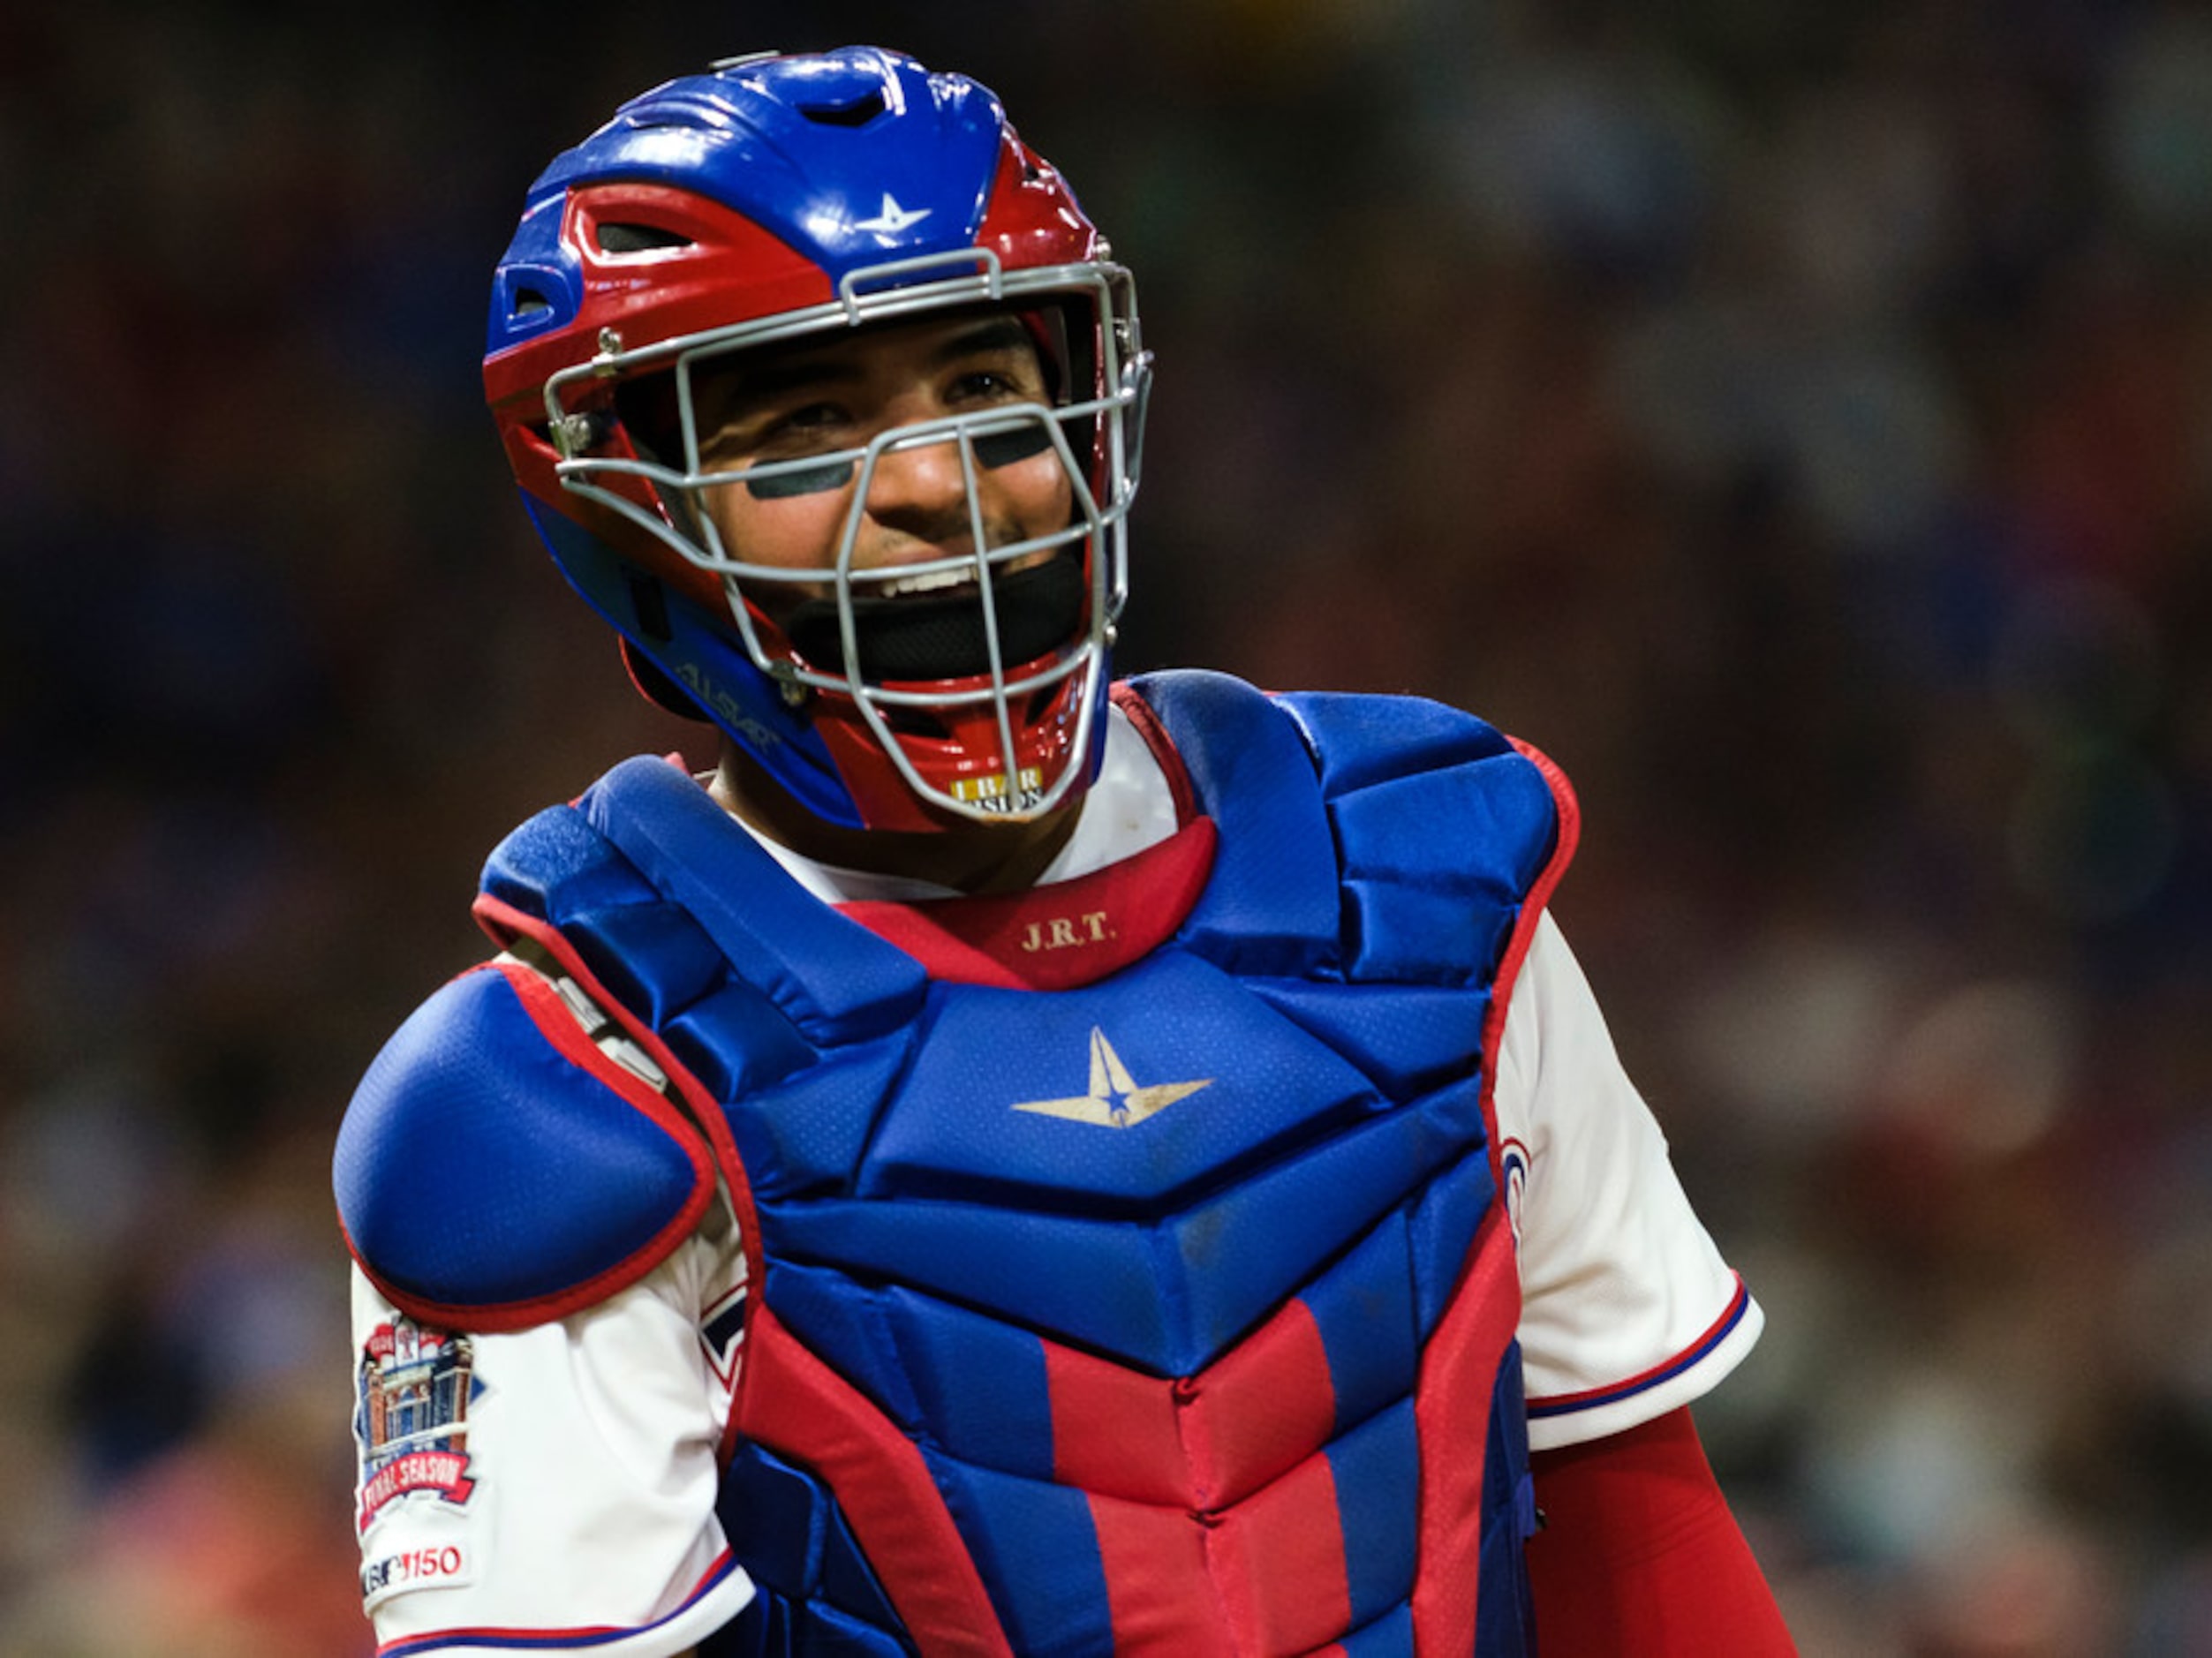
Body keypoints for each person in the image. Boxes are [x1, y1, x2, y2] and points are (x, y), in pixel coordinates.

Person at [333, 44, 1797, 1657]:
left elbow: (1645, 1540)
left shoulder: (1423, 886)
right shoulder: (562, 1086)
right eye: (811, 420)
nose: (932, 483)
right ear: (625, 511)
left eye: (981, 388)